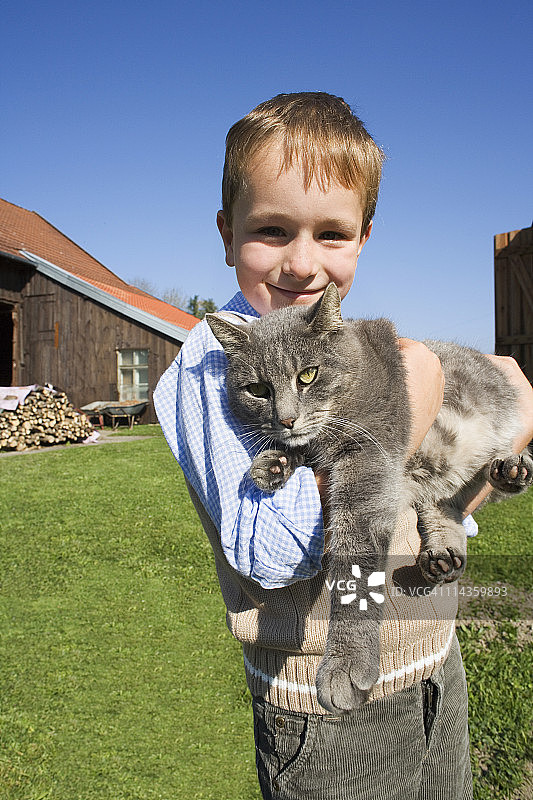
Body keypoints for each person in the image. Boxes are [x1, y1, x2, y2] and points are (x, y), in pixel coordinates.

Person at [154, 92, 533, 800]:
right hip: (325, 718)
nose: (301, 264)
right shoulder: (215, 356)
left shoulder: (337, 342)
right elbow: (274, 553)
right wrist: (411, 405)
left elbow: (398, 500)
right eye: (271, 230)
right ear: (226, 233)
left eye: (331, 234)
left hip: (432, 666)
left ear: (362, 238)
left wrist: (479, 467)